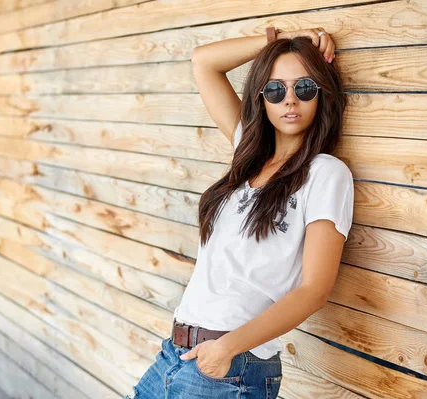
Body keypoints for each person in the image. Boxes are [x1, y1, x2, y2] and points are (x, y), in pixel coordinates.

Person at [124, 27, 353, 399]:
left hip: (232, 364)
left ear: (321, 95)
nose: (290, 100)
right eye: (276, 90)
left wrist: (226, 349)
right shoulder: (247, 155)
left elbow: (314, 290)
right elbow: (203, 61)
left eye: (304, 87)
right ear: (262, 99)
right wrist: (277, 43)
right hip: (177, 353)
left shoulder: (326, 174)